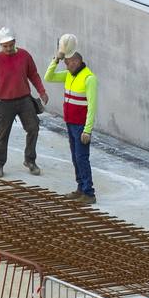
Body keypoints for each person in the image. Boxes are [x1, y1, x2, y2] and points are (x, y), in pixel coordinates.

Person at [0, 27, 48, 177]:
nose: (8, 48)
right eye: (5, 46)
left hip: (24, 100)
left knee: (33, 128)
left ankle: (30, 160)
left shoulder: (24, 56)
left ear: (15, 42)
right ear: (0, 45)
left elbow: (33, 74)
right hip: (4, 103)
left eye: (11, 45)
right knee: (2, 135)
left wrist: (42, 91)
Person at [44, 49, 98, 205]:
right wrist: (56, 60)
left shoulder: (89, 78)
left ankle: (89, 193)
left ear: (77, 61)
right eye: (66, 63)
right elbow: (49, 77)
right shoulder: (69, 75)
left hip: (81, 126)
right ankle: (81, 188)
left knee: (82, 158)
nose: (67, 66)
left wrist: (88, 130)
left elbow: (92, 107)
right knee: (76, 157)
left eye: (69, 62)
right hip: (70, 122)